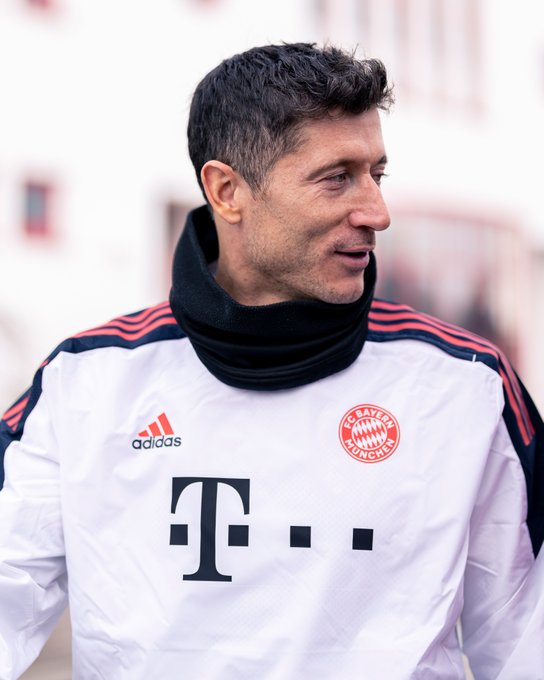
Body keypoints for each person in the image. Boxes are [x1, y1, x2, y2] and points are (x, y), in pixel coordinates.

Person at [0, 42, 543, 680]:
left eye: (377, 174)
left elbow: (529, 643)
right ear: (227, 190)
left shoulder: (466, 385)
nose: (377, 212)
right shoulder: (84, 383)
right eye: (337, 177)